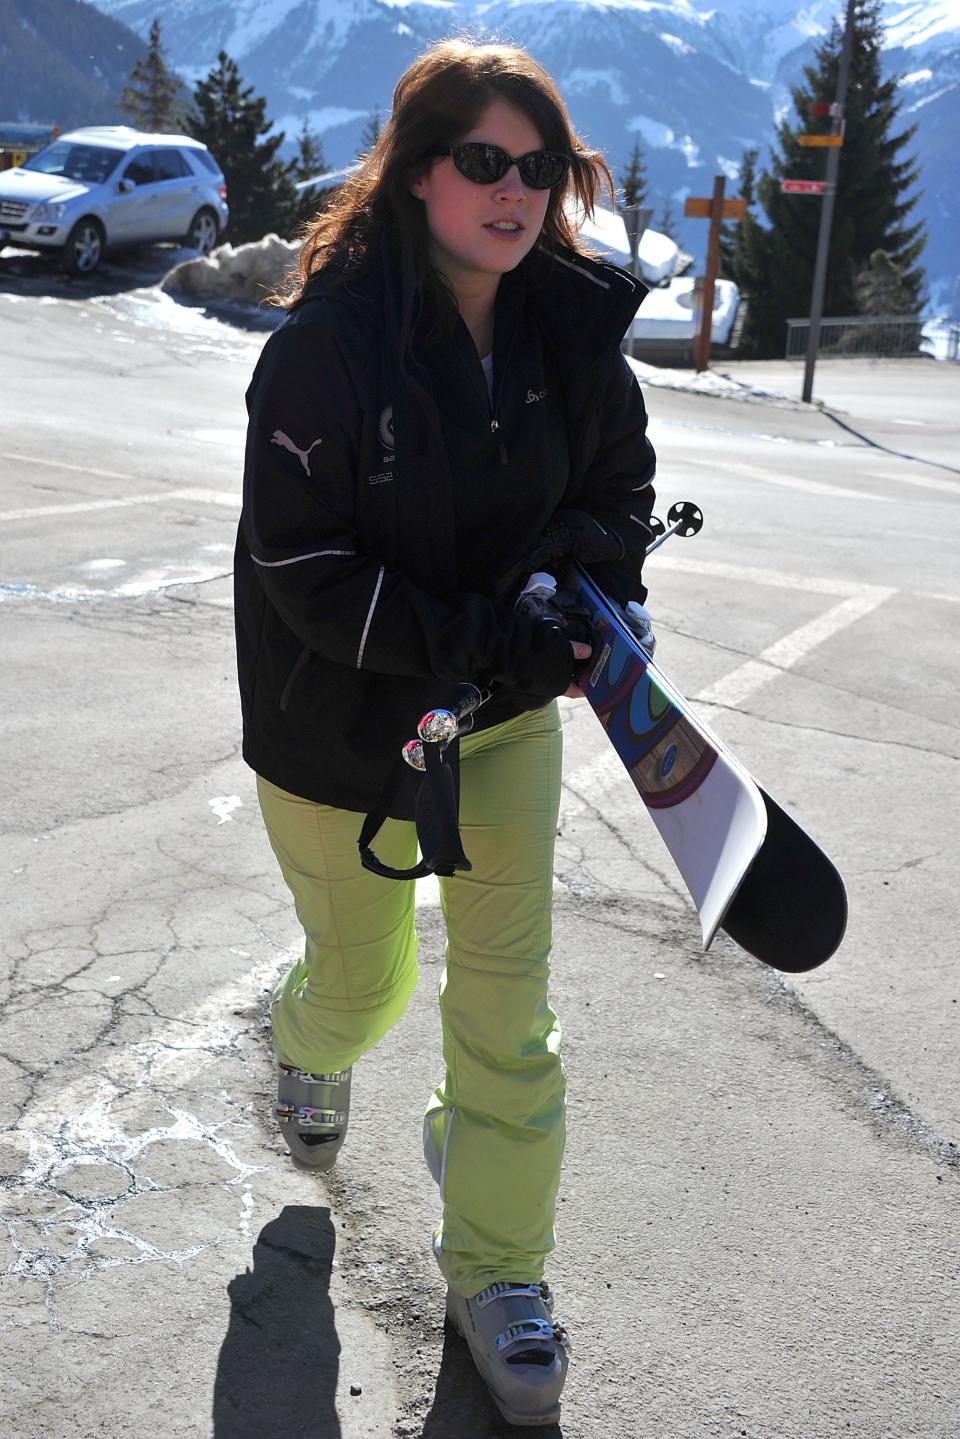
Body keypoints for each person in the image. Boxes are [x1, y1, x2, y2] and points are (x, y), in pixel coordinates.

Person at [234, 37, 656, 1427]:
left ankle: (499, 1269)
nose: (515, 190)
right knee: (366, 995)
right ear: (417, 174)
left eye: (539, 168)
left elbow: (615, 483)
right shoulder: (325, 352)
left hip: (501, 731)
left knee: (506, 1012)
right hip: (343, 731)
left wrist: (577, 592)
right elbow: (302, 571)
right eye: (484, 160)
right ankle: (305, 1039)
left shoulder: (567, 329)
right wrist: (476, 631)